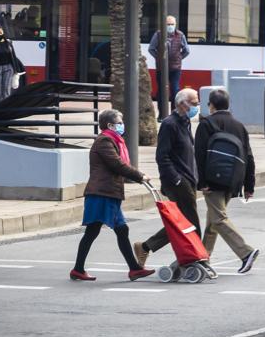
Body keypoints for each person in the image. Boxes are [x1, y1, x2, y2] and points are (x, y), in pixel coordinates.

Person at [70, 109, 155, 282]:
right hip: (102, 193)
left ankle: (133, 269)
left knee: (118, 230)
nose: (122, 125)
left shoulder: (114, 140)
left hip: (108, 193)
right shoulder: (104, 141)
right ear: (110, 125)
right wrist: (140, 176)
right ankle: (79, 269)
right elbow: (117, 164)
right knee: (95, 231)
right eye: (119, 122)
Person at [194, 89, 259, 273]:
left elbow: (199, 155)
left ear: (211, 105)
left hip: (213, 180)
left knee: (218, 218)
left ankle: (246, 252)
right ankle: (203, 257)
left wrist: (202, 182)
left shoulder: (206, 124)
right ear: (228, 104)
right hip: (233, 180)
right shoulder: (239, 126)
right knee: (213, 220)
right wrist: (249, 185)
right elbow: (249, 157)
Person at [133, 88, 201, 267]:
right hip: (178, 182)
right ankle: (195, 258)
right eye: (194, 103)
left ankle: (146, 247)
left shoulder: (185, 122)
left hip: (188, 179)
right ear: (181, 104)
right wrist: (177, 179)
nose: (197, 106)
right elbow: (162, 156)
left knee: (179, 223)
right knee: (192, 223)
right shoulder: (169, 124)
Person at [148, 15, 190, 114]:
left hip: (175, 68)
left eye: (172, 24)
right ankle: (162, 114)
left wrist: (179, 58)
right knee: (162, 91)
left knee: (175, 90)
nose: (170, 26)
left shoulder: (180, 35)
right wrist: (159, 58)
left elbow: (186, 50)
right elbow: (151, 49)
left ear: (175, 25)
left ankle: (174, 112)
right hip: (162, 68)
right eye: (168, 24)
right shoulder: (158, 34)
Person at [0, 23, 21, 101]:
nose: (0, 35)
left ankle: (6, 108)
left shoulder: (8, 42)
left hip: (8, 68)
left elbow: (13, 56)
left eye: (1, 33)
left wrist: (16, 70)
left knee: (6, 90)